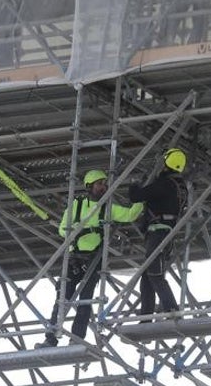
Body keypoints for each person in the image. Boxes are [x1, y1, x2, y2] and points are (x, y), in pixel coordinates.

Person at [38, 169, 143, 347]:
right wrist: (76, 229)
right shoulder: (76, 206)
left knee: (85, 300)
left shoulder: (107, 208)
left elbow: (130, 215)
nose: (103, 187)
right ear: (89, 186)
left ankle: (76, 338)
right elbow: (62, 229)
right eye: (99, 184)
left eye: (104, 184)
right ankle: (51, 337)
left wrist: (140, 197)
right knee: (63, 297)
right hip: (74, 258)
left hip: (93, 259)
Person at [128, 147, 189, 318]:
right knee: (147, 276)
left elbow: (136, 196)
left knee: (154, 273)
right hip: (166, 233)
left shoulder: (164, 185)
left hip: (158, 234)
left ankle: (171, 309)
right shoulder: (180, 187)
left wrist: (134, 184)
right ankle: (146, 317)